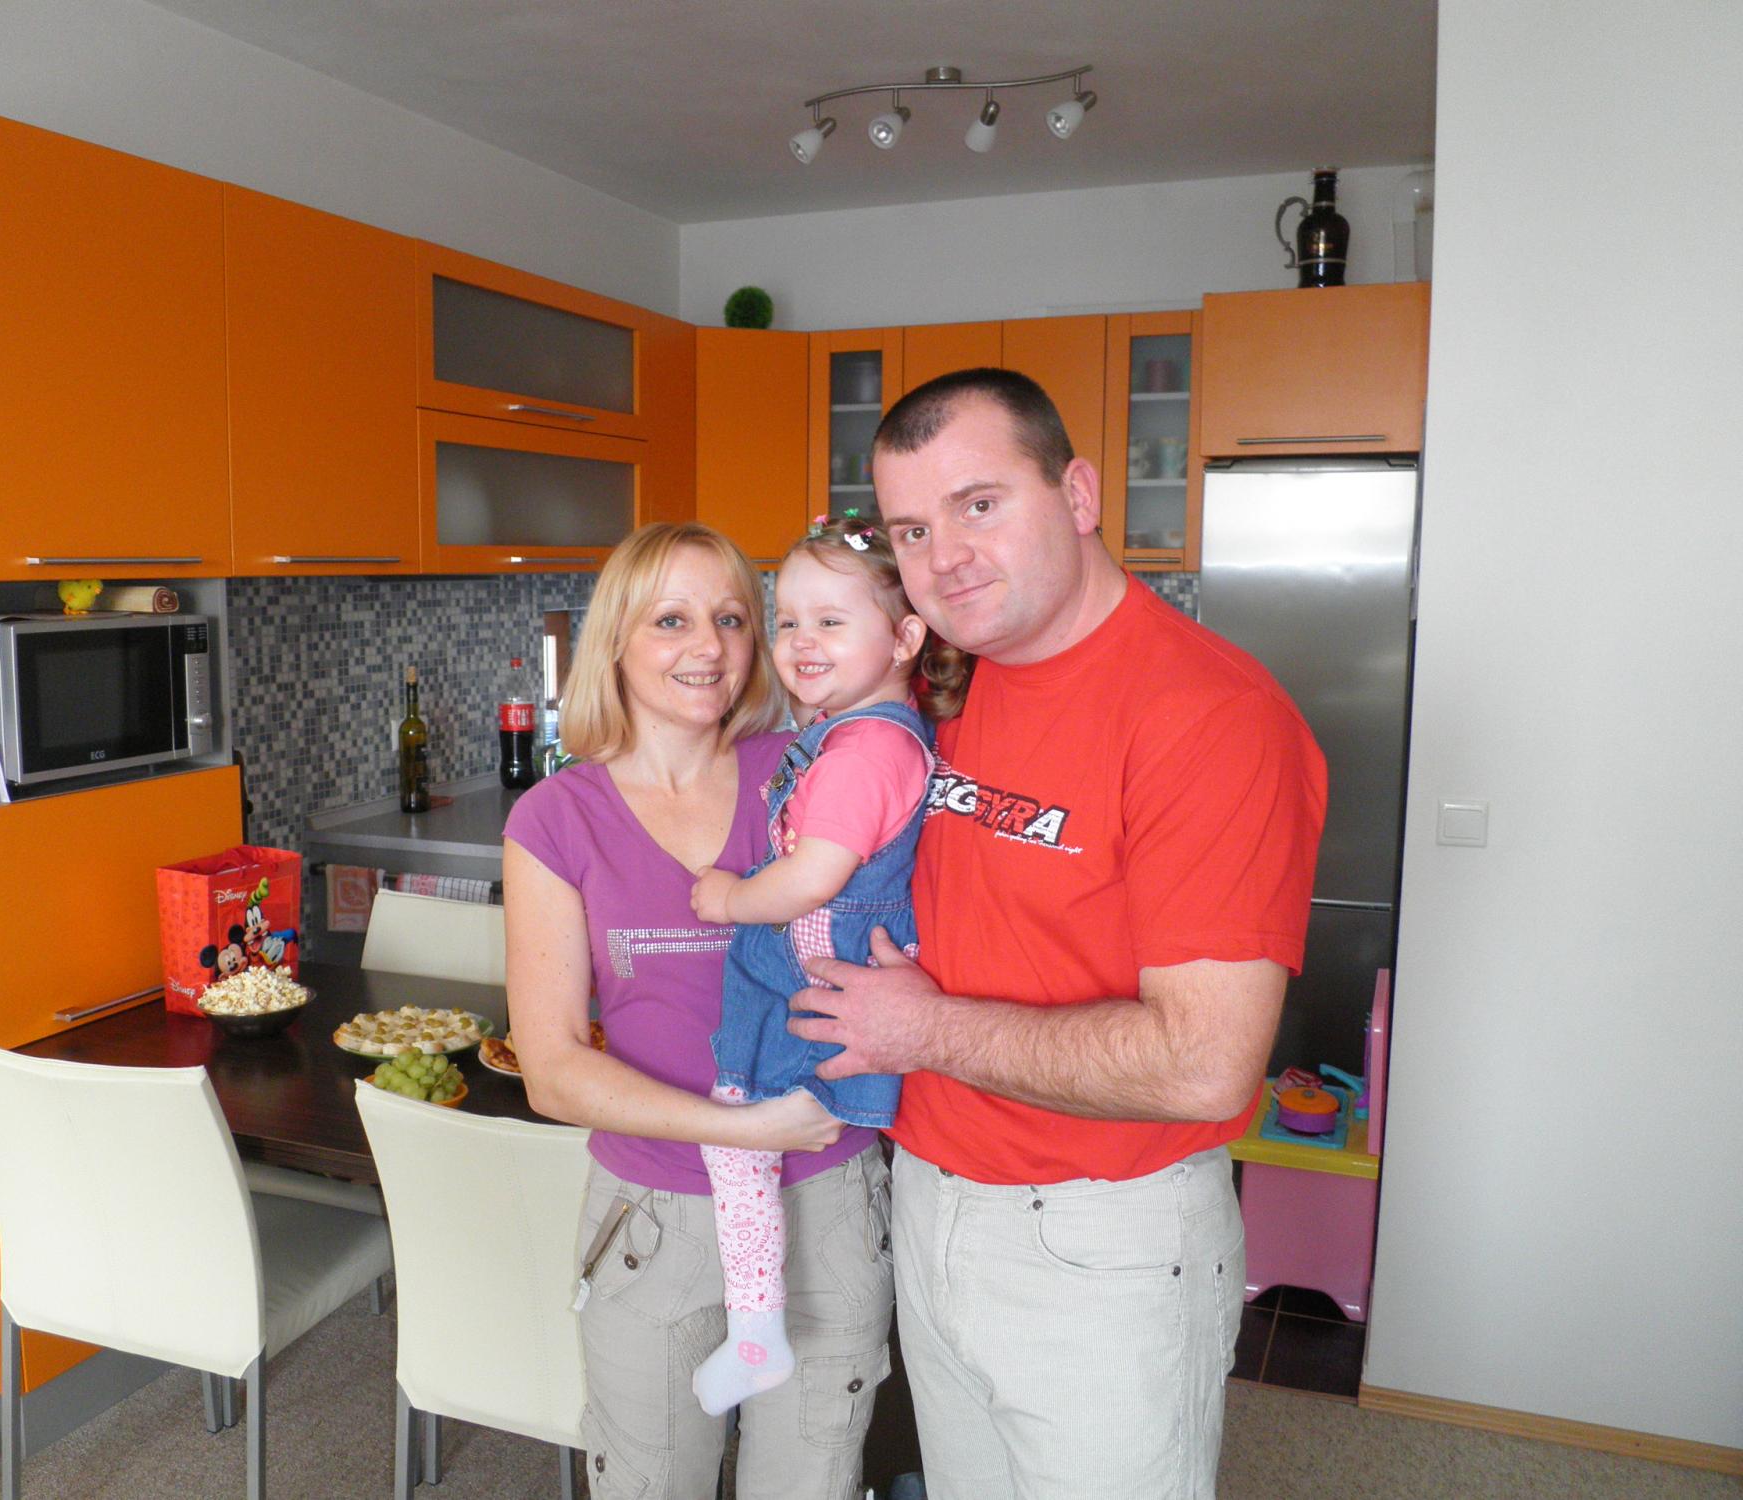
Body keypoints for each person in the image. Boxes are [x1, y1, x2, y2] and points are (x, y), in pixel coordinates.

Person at [791, 369, 1328, 1500]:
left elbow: (1202, 1063)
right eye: (912, 529)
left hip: (1101, 1240)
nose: (945, 557)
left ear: (1078, 495)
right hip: (931, 1197)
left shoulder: (1210, 718)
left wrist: (921, 1031)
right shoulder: (944, 687)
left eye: (979, 505)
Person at [504, 521, 896, 1500]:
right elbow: (551, 1070)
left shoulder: (807, 770)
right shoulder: (555, 818)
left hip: (822, 1197)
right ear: (616, 641)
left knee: (809, 1482)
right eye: (671, 620)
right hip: (654, 1221)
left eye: (730, 618)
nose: (709, 647)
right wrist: (740, 1128)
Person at [685, 514, 936, 1416]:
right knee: (739, 1134)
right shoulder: (861, 732)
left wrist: (729, 899)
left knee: (733, 1136)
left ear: (904, 638)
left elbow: (812, 880)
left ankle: (756, 1331)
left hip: (814, 977)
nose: (800, 641)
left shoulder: (866, 752)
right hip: (812, 967)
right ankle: (757, 1327)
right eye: (787, 620)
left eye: (831, 621)